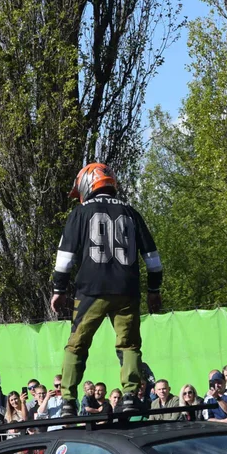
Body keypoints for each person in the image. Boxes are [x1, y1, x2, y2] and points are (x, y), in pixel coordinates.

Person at [50, 162, 164, 416]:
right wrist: (154, 290)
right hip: (127, 290)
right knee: (130, 345)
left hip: (91, 289)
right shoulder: (131, 212)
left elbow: (65, 257)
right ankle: (131, 395)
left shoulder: (80, 214)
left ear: (87, 184)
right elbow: (153, 259)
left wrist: (59, 289)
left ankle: (68, 400)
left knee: (76, 345)